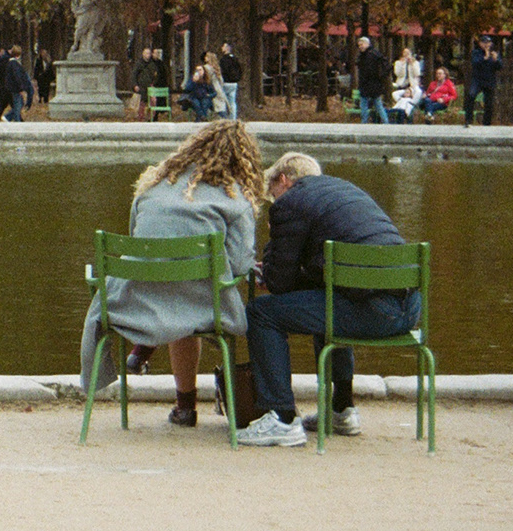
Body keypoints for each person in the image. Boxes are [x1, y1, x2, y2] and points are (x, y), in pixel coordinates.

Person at [79, 120, 262, 427]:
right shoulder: (235, 201)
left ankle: (177, 396)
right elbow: (241, 265)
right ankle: (193, 402)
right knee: (189, 298)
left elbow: (138, 242)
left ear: (192, 148)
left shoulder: (151, 189)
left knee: (174, 291)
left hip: (135, 302)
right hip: (202, 305)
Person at [237, 152, 421, 447]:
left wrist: (270, 253)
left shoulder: (291, 202)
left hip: (373, 310)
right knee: (328, 300)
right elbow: (323, 271)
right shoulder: (346, 191)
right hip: (409, 308)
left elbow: (279, 284)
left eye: (273, 194)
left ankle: (282, 419)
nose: (274, 201)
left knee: (261, 312)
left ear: (284, 180)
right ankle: (342, 410)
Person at [354, 36, 390, 125]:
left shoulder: (370, 55)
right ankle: (385, 122)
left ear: (367, 44)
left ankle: (365, 122)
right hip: (373, 84)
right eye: (359, 45)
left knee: (366, 104)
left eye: (361, 44)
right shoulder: (375, 54)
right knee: (377, 104)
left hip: (370, 83)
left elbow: (368, 71)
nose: (360, 47)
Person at [467, 36, 501, 127]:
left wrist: (496, 60)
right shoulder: (476, 53)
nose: (486, 45)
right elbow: (475, 63)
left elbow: (499, 67)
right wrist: (484, 58)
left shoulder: (494, 53)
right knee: (471, 95)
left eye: (488, 43)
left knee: (489, 102)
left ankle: (487, 123)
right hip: (477, 80)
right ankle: (468, 120)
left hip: (489, 80)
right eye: (484, 43)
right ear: (480, 44)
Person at [0, 47, 32, 123]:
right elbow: (17, 77)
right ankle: (14, 119)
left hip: (9, 87)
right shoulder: (14, 64)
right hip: (14, 88)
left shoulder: (9, 63)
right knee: (18, 105)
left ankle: (9, 118)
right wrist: (21, 88)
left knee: (16, 104)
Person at [132, 47, 165, 118]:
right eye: (146, 53)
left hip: (150, 86)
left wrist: (153, 83)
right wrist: (135, 85)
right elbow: (134, 75)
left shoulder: (152, 64)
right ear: (143, 54)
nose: (148, 55)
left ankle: (151, 117)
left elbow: (156, 75)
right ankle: (141, 117)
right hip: (141, 86)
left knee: (153, 101)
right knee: (142, 103)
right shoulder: (139, 64)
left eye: (149, 53)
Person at [218, 42, 243, 119]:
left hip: (226, 82)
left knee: (224, 101)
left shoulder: (223, 60)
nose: (222, 48)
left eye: (223, 46)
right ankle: (233, 117)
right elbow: (240, 69)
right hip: (234, 83)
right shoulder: (235, 59)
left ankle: (224, 118)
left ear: (227, 48)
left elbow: (222, 71)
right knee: (232, 101)